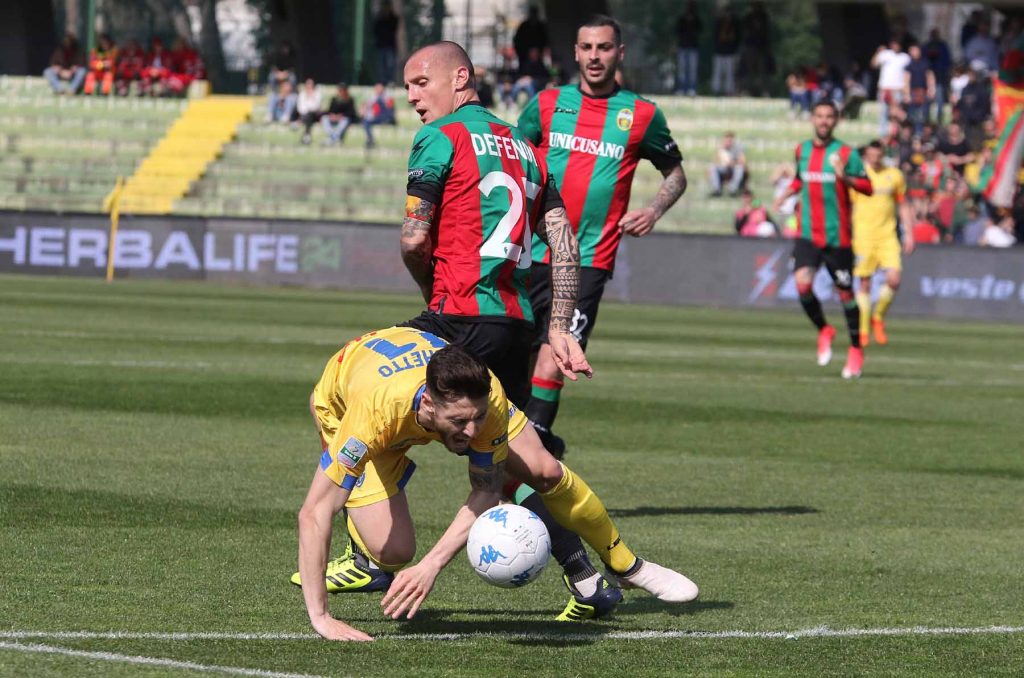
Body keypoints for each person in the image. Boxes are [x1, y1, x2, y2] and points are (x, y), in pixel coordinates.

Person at [399, 40, 622, 621]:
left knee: (378, 389)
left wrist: (431, 294)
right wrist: (559, 326)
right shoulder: (525, 147)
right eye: (408, 87)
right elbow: (564, 242)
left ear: (460, 77)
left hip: (460, 314)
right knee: (516, 460)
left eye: (421, 82)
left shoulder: (439, 138)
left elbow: (414, 238)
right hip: (518, 323)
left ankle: (370, 554)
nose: (413, 97)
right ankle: (587, 579)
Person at [293, 329, 698, 641]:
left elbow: (486, 490)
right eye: (459, 423)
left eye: (477, 418)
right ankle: (362, 557)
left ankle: (627, 564)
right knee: (393, 551)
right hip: (344, 401)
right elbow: (314, 512)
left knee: (545, 470)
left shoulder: (486, 403)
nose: (471, 432)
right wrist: (321, 617)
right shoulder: (369, 420)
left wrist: (432, 565)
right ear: (431, 405)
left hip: (413, 379)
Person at [516, 15, 686, 456]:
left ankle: (531, 459)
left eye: (604, 48)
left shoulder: (642, 114)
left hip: (589, 258)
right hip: (529, 251)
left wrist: (653, 208)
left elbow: (675, 174)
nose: (595, 56)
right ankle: (530, 451)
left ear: (619, 53)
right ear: (575, 52)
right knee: (515, 365)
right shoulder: (547, 104)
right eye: (587, 47)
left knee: (555, 357)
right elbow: (513, 160)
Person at [772, 100, 872, 379]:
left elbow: (868, 187)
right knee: (802, 285)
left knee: (845, 294)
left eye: (829, 117)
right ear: (813, 119)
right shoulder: (802, 150)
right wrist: (786, 193)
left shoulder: (846, 153)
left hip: (837, 237)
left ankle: (855, 348)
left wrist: (846, 178)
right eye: (820, 116)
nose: (824, 121)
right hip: (807, 234)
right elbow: (801, 179)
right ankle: (825, 329)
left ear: (836, 121)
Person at [851, 141, 915, 347]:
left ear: (883, 155)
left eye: (878, 156)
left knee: (894, 279)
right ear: (867, 155)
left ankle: (877, 316)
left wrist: (909, 234)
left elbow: (903, 205)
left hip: (888, 236)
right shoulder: (858, 176)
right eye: (871, 156)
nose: (875, 159)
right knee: (865, 283)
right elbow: (849, 204)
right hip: (864, 236)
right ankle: (862, 330)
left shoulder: (894, 175)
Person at [872, 41, 910, 137]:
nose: (895, 46)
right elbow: (873, 64)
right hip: (884, 89)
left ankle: (897, 134)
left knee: (896, 114)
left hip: (897, 89)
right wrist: (878, 52)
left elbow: (908, 75)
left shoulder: (905, 57)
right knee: (883, 113)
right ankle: (883, 135)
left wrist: (906, 91)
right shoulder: (885, 54)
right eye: (894, 44)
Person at [903, 44, 935, 137]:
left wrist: (931, 89)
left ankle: (922, 135)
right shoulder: (909, 65)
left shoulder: (925, 63)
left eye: (916, 50)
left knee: (924, 116)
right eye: (913, 51)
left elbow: (929, 76)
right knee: (912, 116)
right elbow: (906, 80)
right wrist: (907, 94)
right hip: (913, 92)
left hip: (923, 92)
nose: (915, 53)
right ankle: (913, 134)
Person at [923, 29, 951, 124]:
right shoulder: (926, 47)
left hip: (939, 78)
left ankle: (939, 121)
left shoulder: (943, 46)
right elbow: (924, 63)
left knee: (939, 100)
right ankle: (926, 122)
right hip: (927, 80)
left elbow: (947, 63)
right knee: (926, 101)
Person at [711, 9, 740, 95]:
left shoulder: (734, 26)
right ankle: (716, 91)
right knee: (717, 73)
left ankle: (729, 91)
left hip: (730, 53)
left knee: (730, 73)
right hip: (719, 52)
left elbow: (736, 39)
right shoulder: (719, 24)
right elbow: (716, 38)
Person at [675, 1, 701, 96]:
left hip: (693, 47)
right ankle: (681, 88)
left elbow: (700, 30)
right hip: (682, 47)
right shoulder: (682, 19)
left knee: (692, 69)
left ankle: (692, 89)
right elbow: (677, 31)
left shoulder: (697, 20)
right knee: (682, 69)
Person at [708, 132, 746, 196]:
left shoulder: (737, 148)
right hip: (723, 167)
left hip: (733, 167)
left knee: (739, 168)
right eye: (726, 140)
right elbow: (715, 161)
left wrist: (733, 163)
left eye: (730, 141)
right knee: (712, 167)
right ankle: (717, 190)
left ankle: (733, 190)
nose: (728, 142)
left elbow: (742, 161)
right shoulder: (721, 148)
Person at [361, 83, 396, 149]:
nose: (378, 90)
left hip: (386, 118)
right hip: (378, 117)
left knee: (367, 122)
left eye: (379, 88)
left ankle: (370, 139)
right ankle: (370, 139)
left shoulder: (387, 97)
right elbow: (367, 105)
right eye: (376, 89)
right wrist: (364, 109)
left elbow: (390, 110)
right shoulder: (374, 97)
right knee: (365, 122)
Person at [372, 1, 399, 85]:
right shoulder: (379, 20)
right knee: (382, 65)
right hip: (381, 45)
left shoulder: (393, 19)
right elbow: (376, 30)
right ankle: (382, 81)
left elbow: (394, 25)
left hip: (390, 46)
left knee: (390, 64)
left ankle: (390, 81)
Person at [296, 78, 323, 145]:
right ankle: (307, 136)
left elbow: (317, 106)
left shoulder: (317, 94)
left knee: (310, 114)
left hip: (314, 115)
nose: (309, 86)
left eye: (311, 84)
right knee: (308, 115)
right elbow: (300, 107)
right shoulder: (302, 94)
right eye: (308, 84)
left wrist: (312, 98)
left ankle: (306, 134)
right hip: (304, 115)